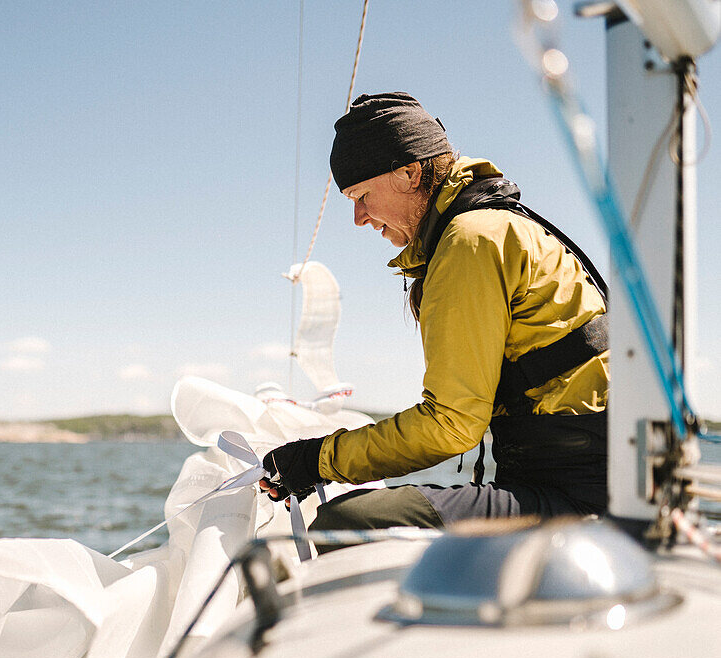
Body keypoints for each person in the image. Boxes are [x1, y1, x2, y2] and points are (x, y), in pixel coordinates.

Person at [260, 92, 609, 531]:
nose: (358, 218)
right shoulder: (495, 227)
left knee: (344, 520)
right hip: (591, 483)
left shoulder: (471, 240)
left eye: (362, 194)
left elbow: (451, 424)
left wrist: (315, 460)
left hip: (578, 496)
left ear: (408, 172)